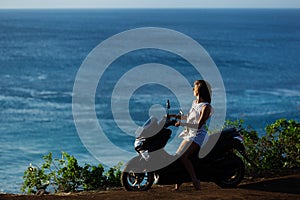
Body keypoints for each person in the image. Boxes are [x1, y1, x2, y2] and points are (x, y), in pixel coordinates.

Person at [169, 80, 213, 191]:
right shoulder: (195, 103)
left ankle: (195, 181)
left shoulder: (206, 107)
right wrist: (174, 116)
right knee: (177, 156)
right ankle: (177, 184)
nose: (193, 89)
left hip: (198, 136)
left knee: (183, 156)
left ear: (200, 90)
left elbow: (198, 125)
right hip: (190, 134)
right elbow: (189, 117)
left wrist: (182, 123)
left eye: (195, 87)